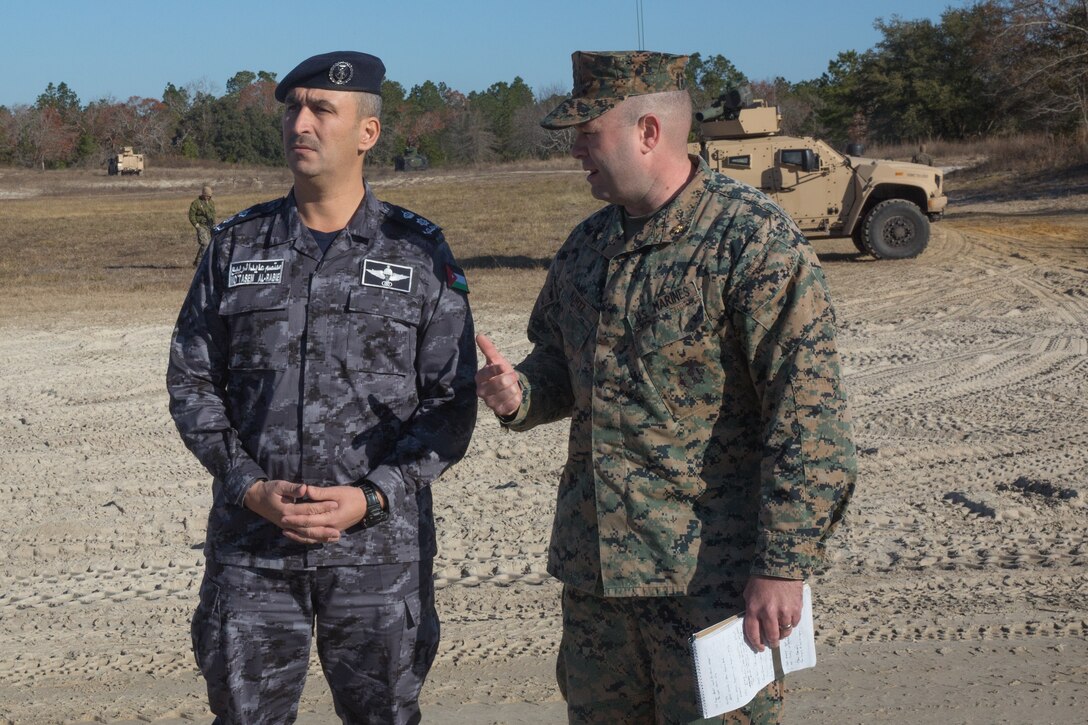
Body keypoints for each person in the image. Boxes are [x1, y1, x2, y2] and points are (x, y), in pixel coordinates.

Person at [475, 51, 856, 724]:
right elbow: (561, 369)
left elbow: (808, 420)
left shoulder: (753, 242)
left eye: (587, 132)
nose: (574, 151)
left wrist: (783, 564)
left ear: (647, 132)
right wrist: (520, 393)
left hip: (712, 585)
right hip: (599, 585)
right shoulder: (586, 246)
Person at [167, 50, 477, 724]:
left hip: (377, 555)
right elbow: (192, 380)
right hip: (254, 551)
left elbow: (451, 403)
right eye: (292, 108)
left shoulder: (417, 252)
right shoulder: (235, 247)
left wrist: (371, 497)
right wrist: (248, 485)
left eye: (321, 109)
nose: (299, 123)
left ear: (367, 132)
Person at [188, 184, 216, 267]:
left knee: (209, 244)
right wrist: (196, 225)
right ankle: (200, 264)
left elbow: (213, 213)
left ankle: (197, 262)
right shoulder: (196, 203)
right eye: (206, 196)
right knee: (205, 244)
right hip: (201, 226)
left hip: (210, 226)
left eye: (209, 196)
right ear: (203, 194)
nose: (208, 197)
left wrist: (214, 224)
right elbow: (191, 215)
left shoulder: (211, 203)